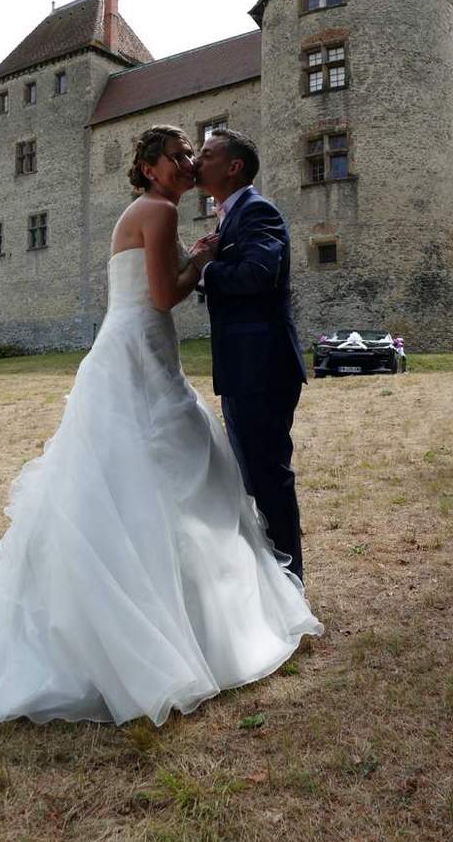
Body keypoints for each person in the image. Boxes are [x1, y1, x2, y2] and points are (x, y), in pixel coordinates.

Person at [0, 124, 322, 727]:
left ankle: (202, 600)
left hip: (144, 350)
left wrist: (202, 258)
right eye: (178, 156)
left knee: (161, 466)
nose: (187, 164)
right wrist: (202, 259)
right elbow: (161, 295)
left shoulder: (161, 209)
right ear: (150, 166)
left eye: (193, 155)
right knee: (158, 467)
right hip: (139, 347)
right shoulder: (155, 212)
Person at [192, 129, 307, 580]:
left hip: (262, 368)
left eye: (206, 154)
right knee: (253, 479)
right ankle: (272, 581)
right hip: (244, 369)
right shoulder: (228, 218)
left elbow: (260, 273)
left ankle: (290, 582)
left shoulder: (258, 211)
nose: (197, 162)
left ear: (233, 166)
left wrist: (206, 266)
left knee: (269, 479)